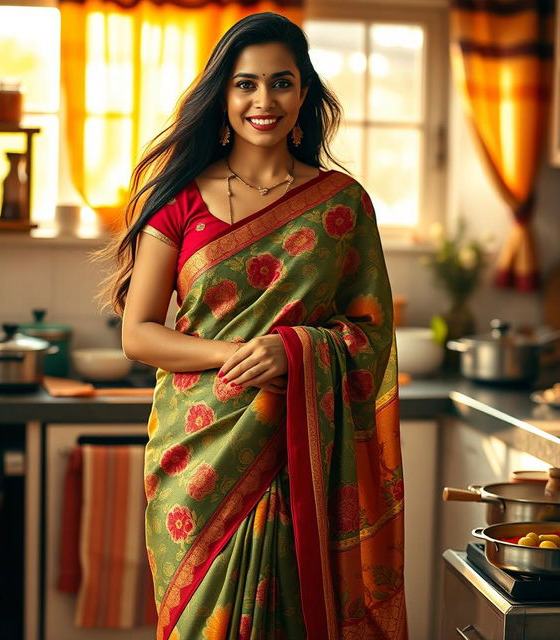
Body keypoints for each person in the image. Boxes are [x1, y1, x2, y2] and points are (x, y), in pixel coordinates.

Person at [103, 11, 407, 640]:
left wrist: (294, 350)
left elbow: (372, 332)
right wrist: (239, 353)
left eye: (281, 82)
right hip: (201, 455)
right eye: (245, 84)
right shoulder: (178, 196)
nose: (263, 101)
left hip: (305, 454)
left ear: (305, 93)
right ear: (223, 94)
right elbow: (139, 334)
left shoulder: (341, 204)